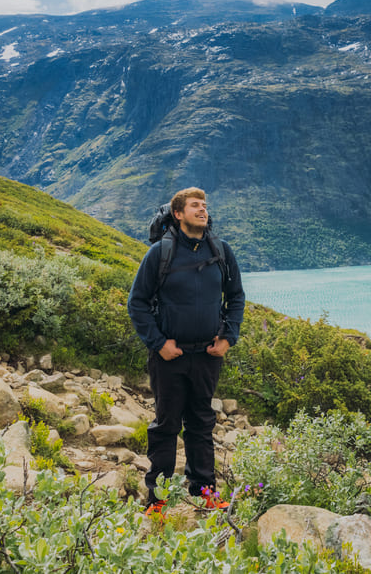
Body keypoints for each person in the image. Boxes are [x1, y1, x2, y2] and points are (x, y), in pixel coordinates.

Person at [127, 187, 246, 511]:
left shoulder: (221, 251)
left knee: (201, 423)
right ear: (178, 214)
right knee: (166, 425)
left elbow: (235, 297)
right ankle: (158, 500)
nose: (203, 210)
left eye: (205, 205)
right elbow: (136, 303)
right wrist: (159, 343)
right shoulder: (160, 254)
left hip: (207, 355)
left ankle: (204, 493)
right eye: (195, 205)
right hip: (169, 357)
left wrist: (227, 337)